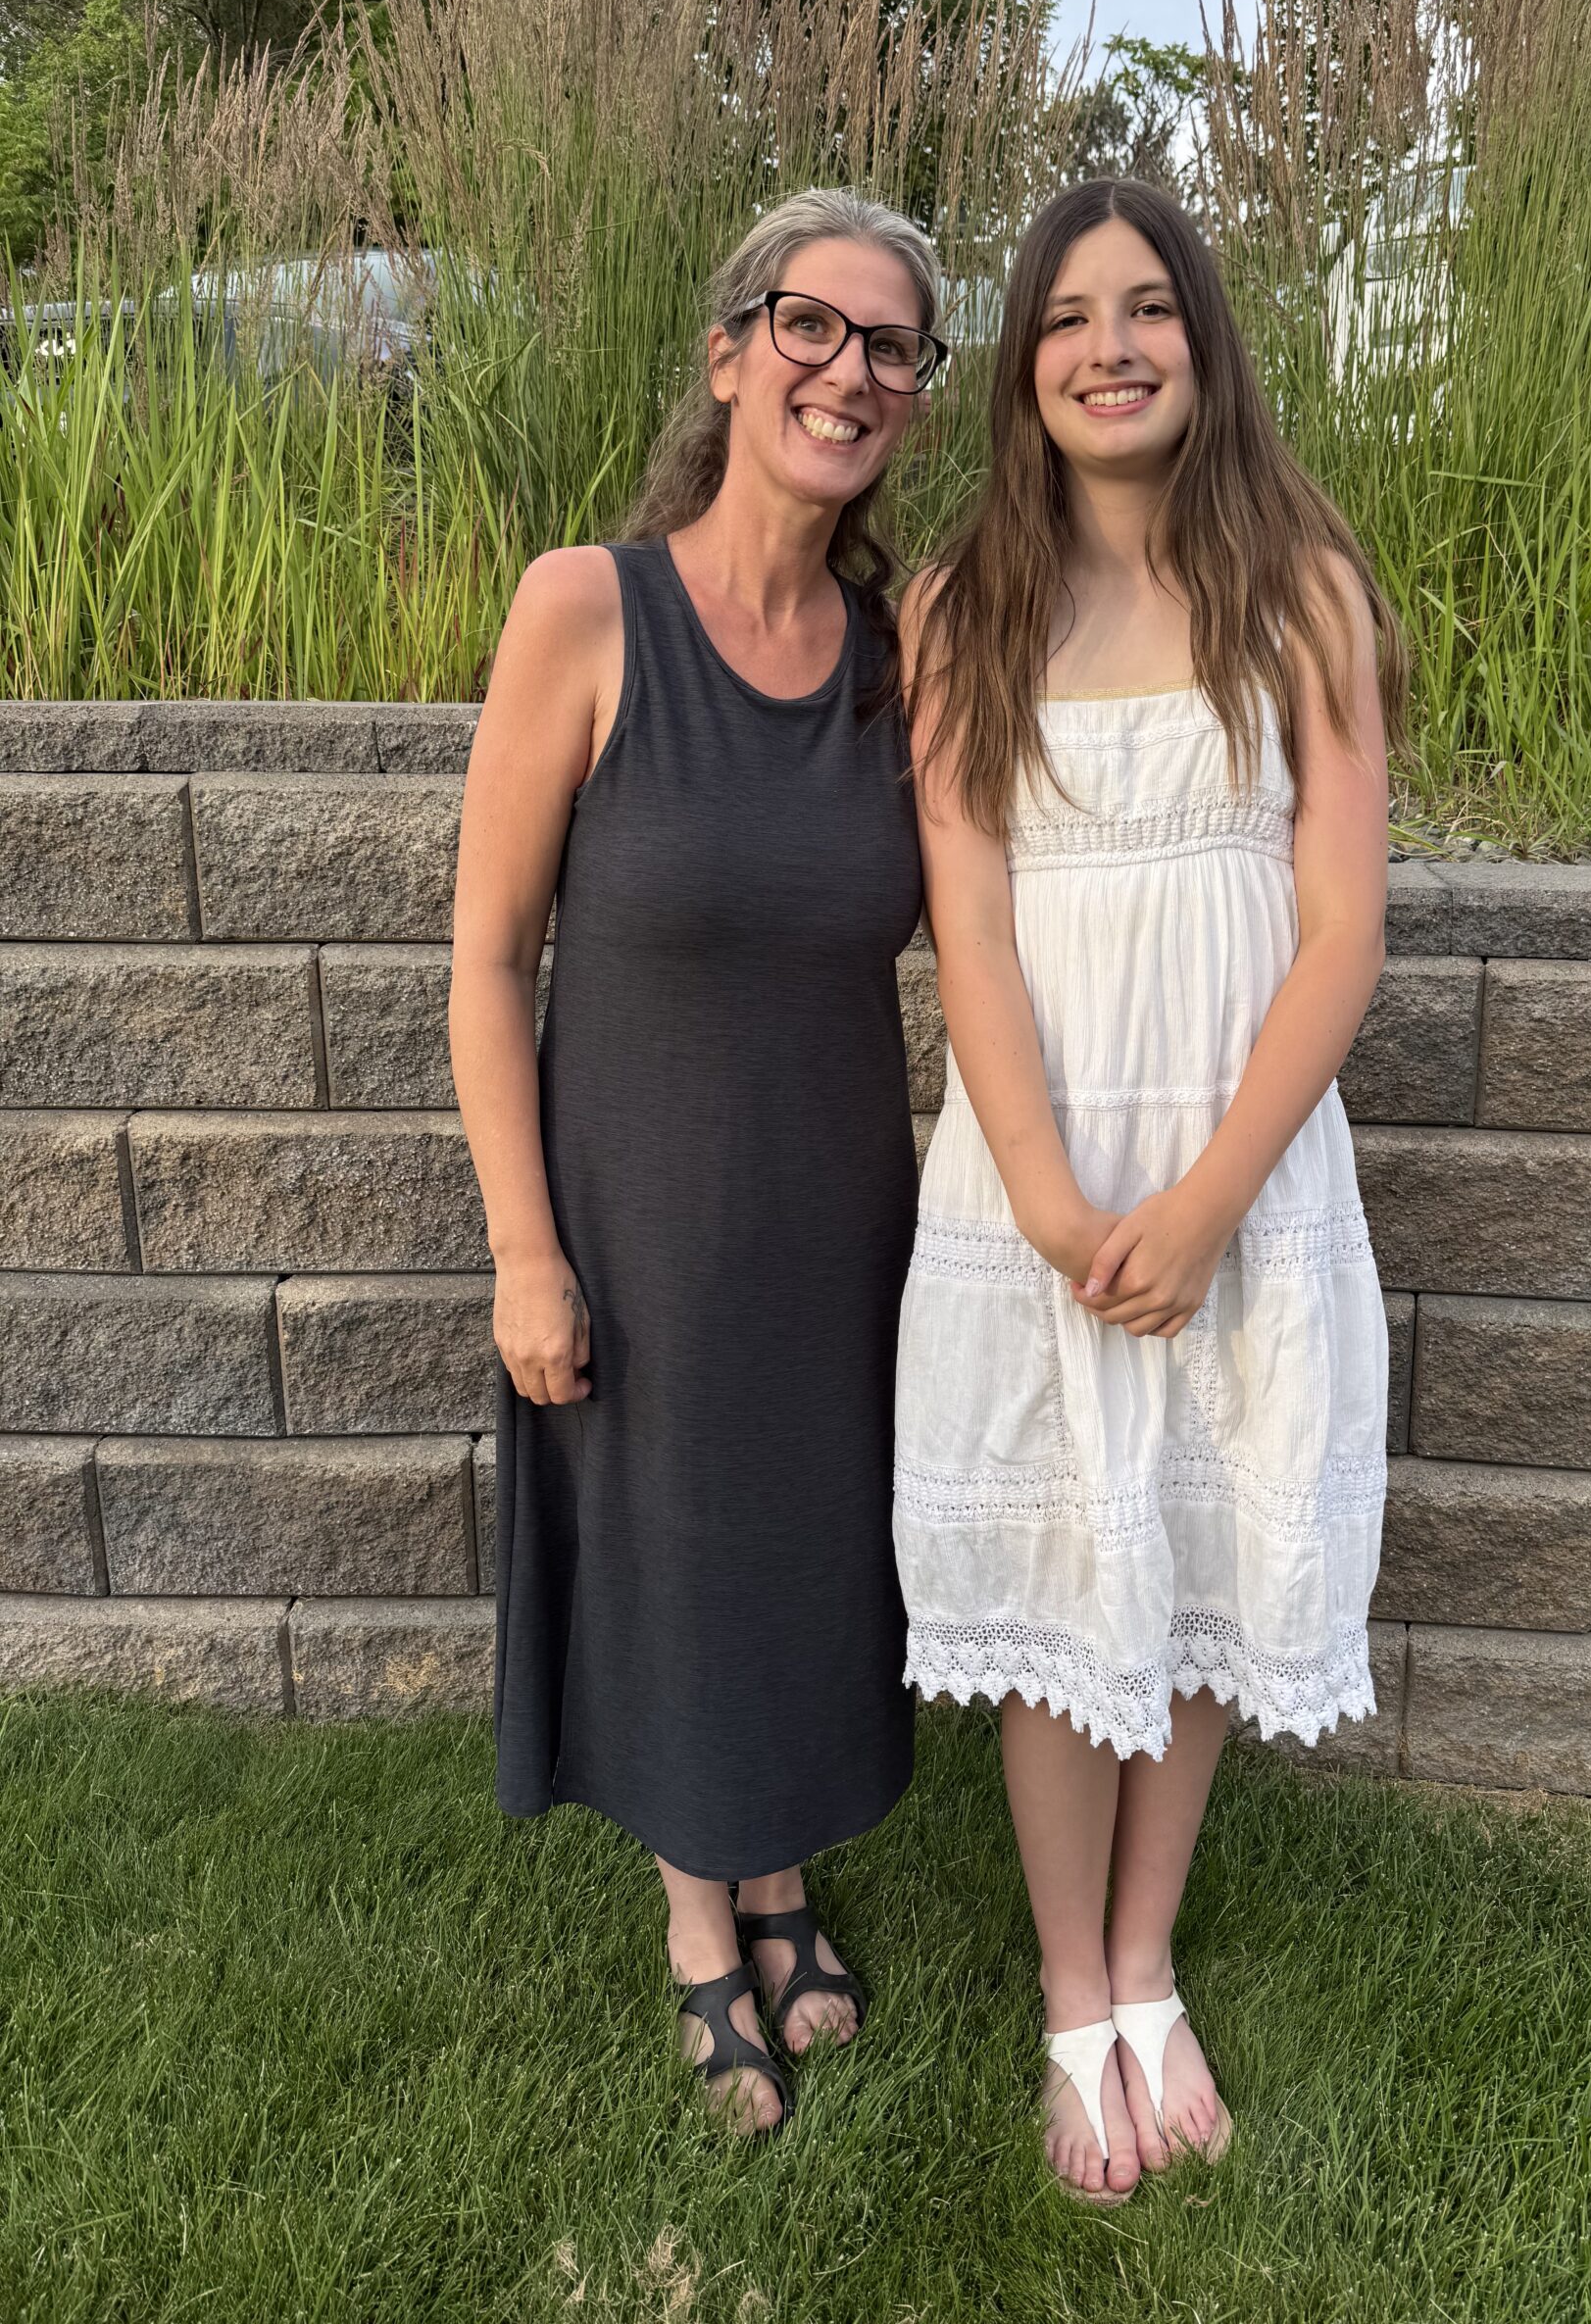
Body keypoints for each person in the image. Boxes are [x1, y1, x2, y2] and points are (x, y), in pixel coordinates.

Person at [893, 177, 1405, 2201]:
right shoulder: (964, 607)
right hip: (1039, 1182)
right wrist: (1045, 1190)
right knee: (1058, 1582)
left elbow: (1341, 930)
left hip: (1235, 1176)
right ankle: (1065, 1996)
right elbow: (970, 923)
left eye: (1146, 308)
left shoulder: (1302, 592)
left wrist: (1207, 1201)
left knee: (1190, 1561)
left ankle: (1146, 1959)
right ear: (1025, 366)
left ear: (1203, 336)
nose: (1110, 346)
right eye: (1067, 317)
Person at [450, 188, 948, 2135]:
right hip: (639, 1218)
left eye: (891, 346)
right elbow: (489, 954)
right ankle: (696, 1921)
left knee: (810, 1546)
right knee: (670, 1548)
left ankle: (782, 1875)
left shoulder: (898, 656)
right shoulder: (589, 609)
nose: (849, 370)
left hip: (837, 1219)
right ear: (732, 354)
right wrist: (525, 1247)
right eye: (809, 324)